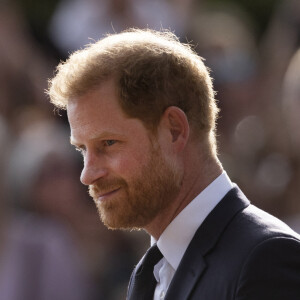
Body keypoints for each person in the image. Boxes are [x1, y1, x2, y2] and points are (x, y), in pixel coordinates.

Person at [47, 29, 300, 300]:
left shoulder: (265, 259)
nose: (87, 174)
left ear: (174, 130)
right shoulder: (151, 274)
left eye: (108, 143)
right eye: (83, 149)